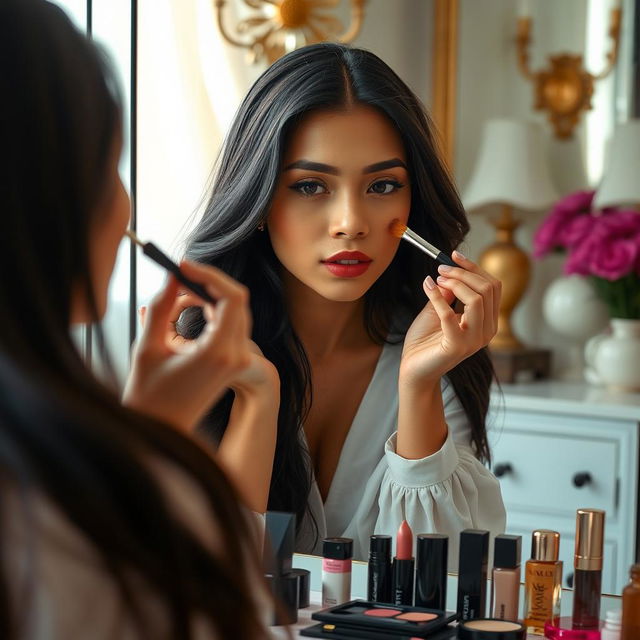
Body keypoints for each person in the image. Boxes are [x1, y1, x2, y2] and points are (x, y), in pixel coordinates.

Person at [0, 1, 276, 638]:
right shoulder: (86, 519)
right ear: (56, 201)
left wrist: (150, 426)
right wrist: (152, 455)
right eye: (109, 167)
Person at [177, 43, 506, 565]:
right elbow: (201, 575)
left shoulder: (440, 357)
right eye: (311, 185)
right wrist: (257, 401)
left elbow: (438, 582)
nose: (351, 221)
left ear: (411, 202)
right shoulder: (193, 355)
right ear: (259, 200)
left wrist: (418, 384)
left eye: (382, 185)